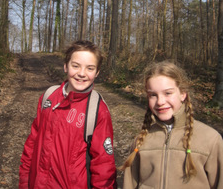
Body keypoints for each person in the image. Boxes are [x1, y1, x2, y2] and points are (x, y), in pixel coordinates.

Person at [19, 40, 117, 189]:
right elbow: (32, 144)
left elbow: (104, 166)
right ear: (66, 66)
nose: (81, 73)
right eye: (75, 66)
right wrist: (25, 182)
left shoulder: (98, 110)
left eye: (90, 68)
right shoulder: (49, 97)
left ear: (97, 72)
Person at [121, 60, 223, 189]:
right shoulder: (141, 141)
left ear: (182, 94)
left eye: (168, 93)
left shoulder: (211, 139)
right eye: (153, 95)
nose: (160, 101)